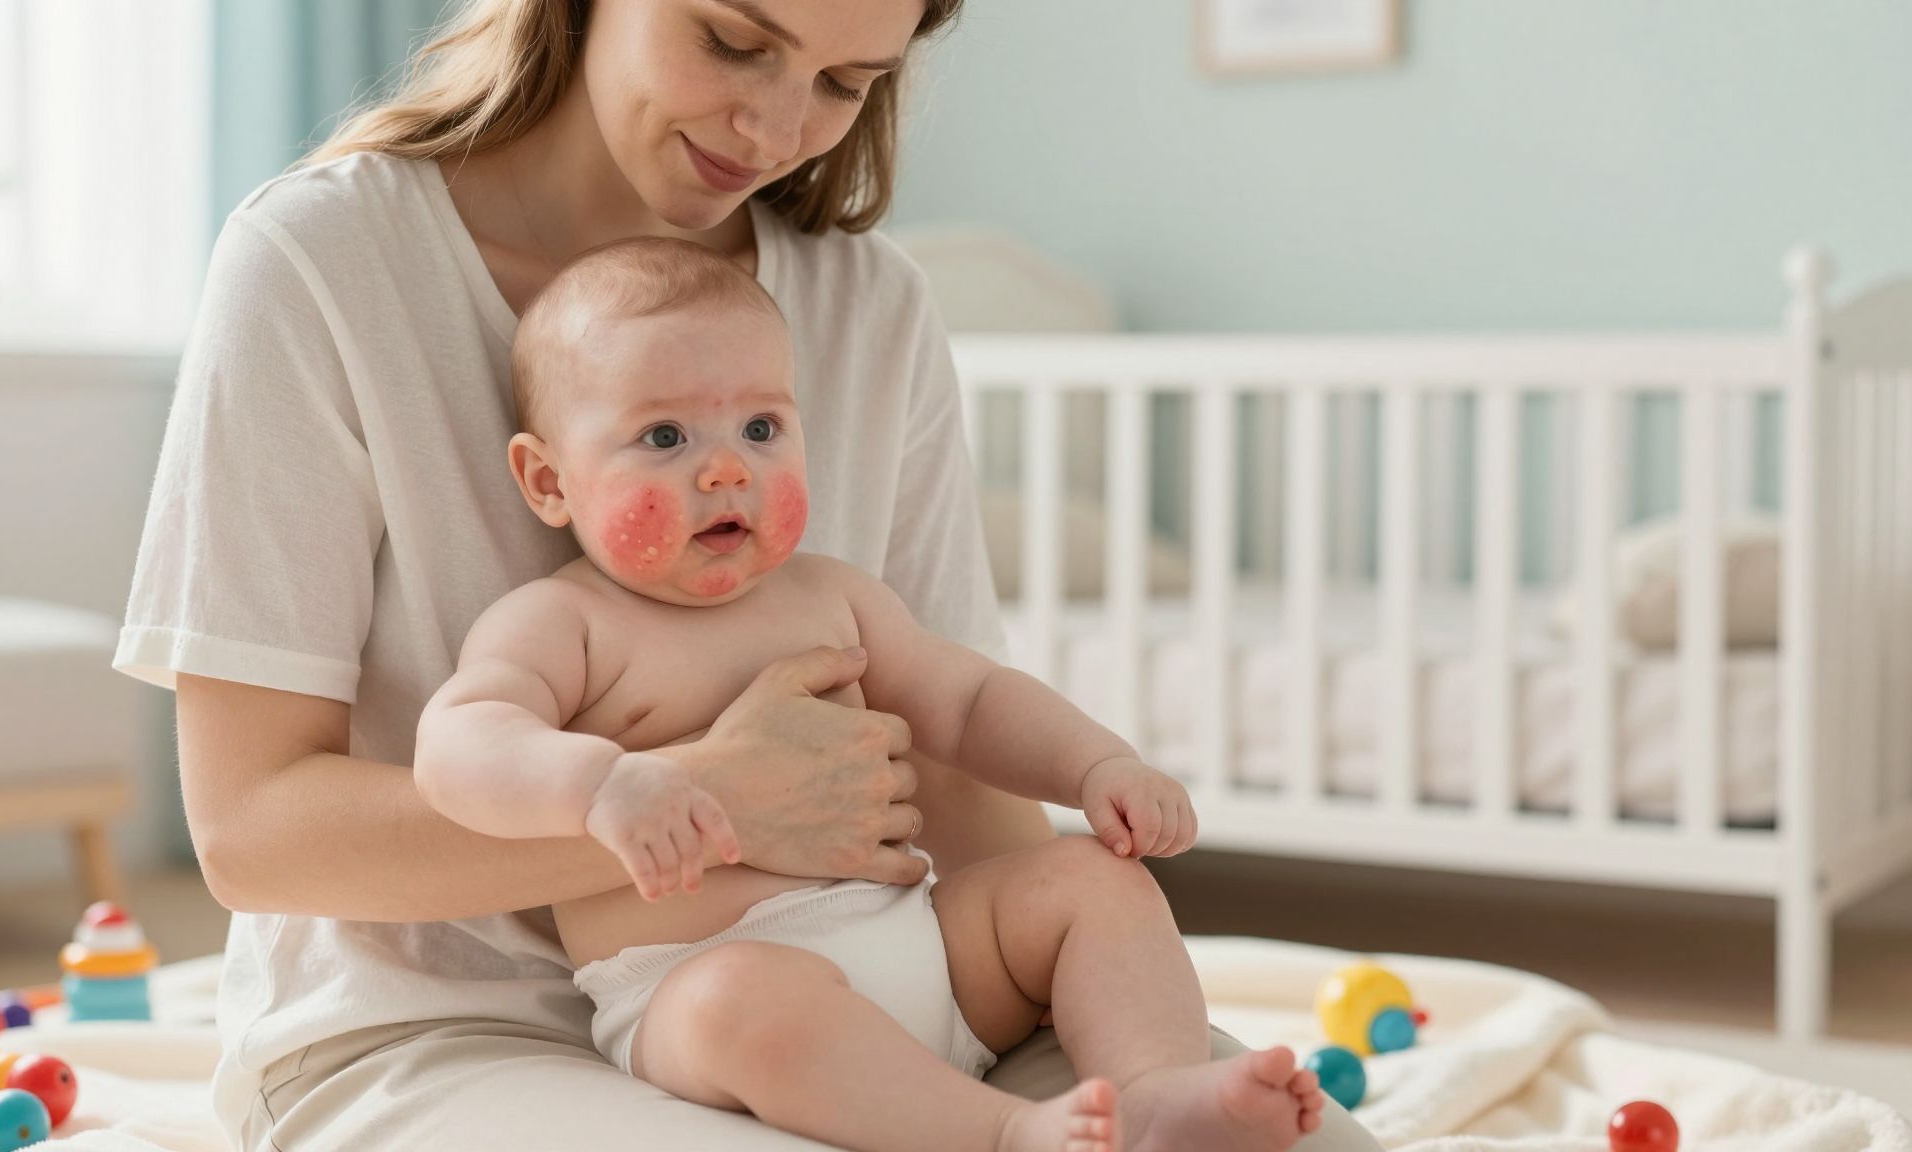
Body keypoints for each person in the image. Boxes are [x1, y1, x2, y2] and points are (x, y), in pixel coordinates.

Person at [116, 0, 1390, 1147]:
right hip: (435, 1028)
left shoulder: (866, 303)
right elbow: (251, 836)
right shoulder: (323, 264)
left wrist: (1065, 962)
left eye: (847, 82)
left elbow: (951, 740)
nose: (779, 126)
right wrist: (709, 801)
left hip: (886, 985)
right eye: (733, 40)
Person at [416, 236, 1329, 1152]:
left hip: (926, 943)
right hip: (695, 983)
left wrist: (1097, 764)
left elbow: (966, 702)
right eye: (665, 437)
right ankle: (1007, 1133)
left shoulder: (831, 595)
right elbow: (461, 738)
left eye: (762, 430)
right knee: (742, 1003)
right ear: (547, 480)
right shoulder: (562, 622)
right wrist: (599, 786)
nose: (728, 468)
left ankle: (1154, 1093)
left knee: (1095, 879)